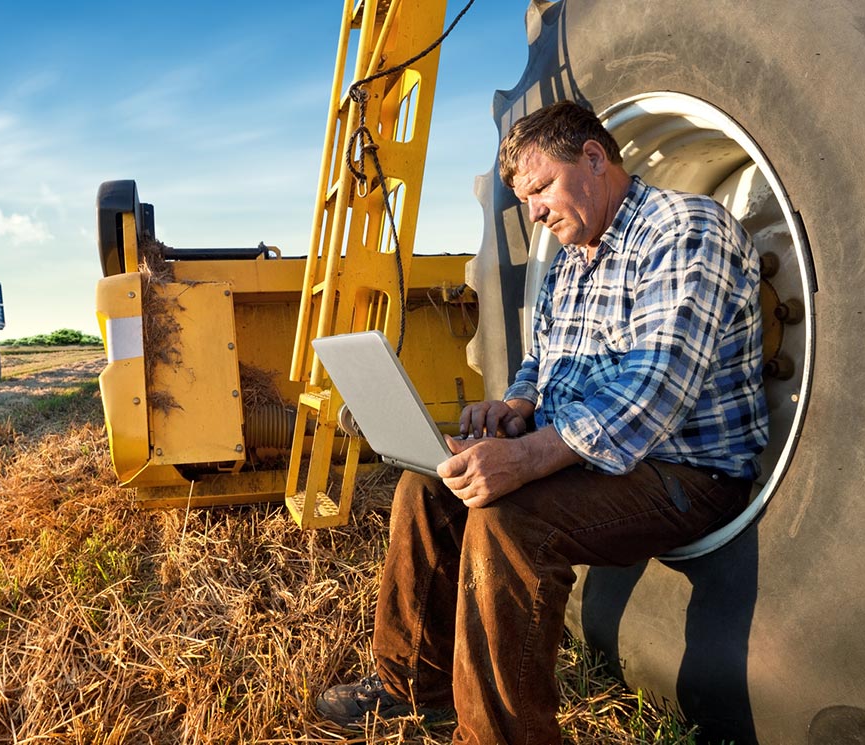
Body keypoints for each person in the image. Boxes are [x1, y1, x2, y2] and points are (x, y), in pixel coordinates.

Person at [315, 100, 769, 743]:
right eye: (525, 198)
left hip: (683, 471)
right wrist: (516, 408)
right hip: (601, 460)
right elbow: (546, 356)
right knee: (427, 488)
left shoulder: (684, 229)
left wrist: (526, 458)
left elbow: (655, 387)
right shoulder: (572, 257)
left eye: (540, 188)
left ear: (592, 158)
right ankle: (410, 683)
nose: (534, 211)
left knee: (507, 519)